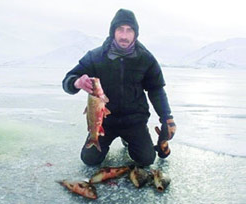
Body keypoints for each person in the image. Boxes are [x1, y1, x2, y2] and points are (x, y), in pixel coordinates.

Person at [62, 8, 176, 166]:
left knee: (146, 160)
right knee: (90, 159)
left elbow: (156, 89)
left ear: (135, 33)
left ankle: (128, 140)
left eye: (129, 30)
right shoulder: (95, 57)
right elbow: (68, 80)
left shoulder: (146, 59)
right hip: (105, 121)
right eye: (120, 29)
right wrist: (77, 83)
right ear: (113, 31)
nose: (124, 35)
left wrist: (167, 118)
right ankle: (104, 143)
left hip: (134, 120)